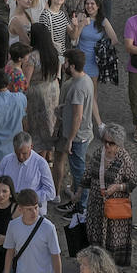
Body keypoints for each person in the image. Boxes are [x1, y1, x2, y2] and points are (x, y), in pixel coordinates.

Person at [83, 124, 137, 268]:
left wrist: (117, 187)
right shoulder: (97, 153)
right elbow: (88, 175)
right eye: (105, 141)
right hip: (95, 205)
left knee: (112, 241)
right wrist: (78, 193)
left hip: (115, 209)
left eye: (111, 143)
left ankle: (109, 270)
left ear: (118, 144)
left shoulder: (124, 159)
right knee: (94, 237)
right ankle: (96, 267)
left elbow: (133, 183)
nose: (107, 145)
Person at [53, 49, 95, 210]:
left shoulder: (77, 87)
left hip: (77, 136)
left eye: (66, 62)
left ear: (71, 65)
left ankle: (81, 207)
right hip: (83, 133)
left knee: (79, 175)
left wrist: (70, 139)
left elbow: (78, 115)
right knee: (79, 172)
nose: (64, 65)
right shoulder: (86, 80)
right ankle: (77, 203)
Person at [68, 0, 119, 126]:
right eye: (87, 3)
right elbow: (74, 38)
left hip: (93, 61)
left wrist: (102, 49)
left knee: (92, 92)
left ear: (98, 6)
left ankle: (89, 120)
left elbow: (114, 39)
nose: (89, 6)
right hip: (79, 59)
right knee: (77, 89)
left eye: (92, 4)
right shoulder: (81, 17)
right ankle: (92, 121)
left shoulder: (103, 21)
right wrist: (82, 24)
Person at [0, 132, 55, 214]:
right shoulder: (6, 160)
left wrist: (27, 198)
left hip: (32, 211)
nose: (20, 157)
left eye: (24, 153)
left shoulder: (40, 163)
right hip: (9, 209)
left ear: (31, 147)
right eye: (17, 153)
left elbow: (50, 192)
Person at [25, 22, 60, 160]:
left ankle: (40, 155)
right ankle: (49, 153)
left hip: (37, 93)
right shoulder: (54, 51)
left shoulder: (32, 57)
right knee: (51, 121)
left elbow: (26, 81)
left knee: (38, 126)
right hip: (52, 89)